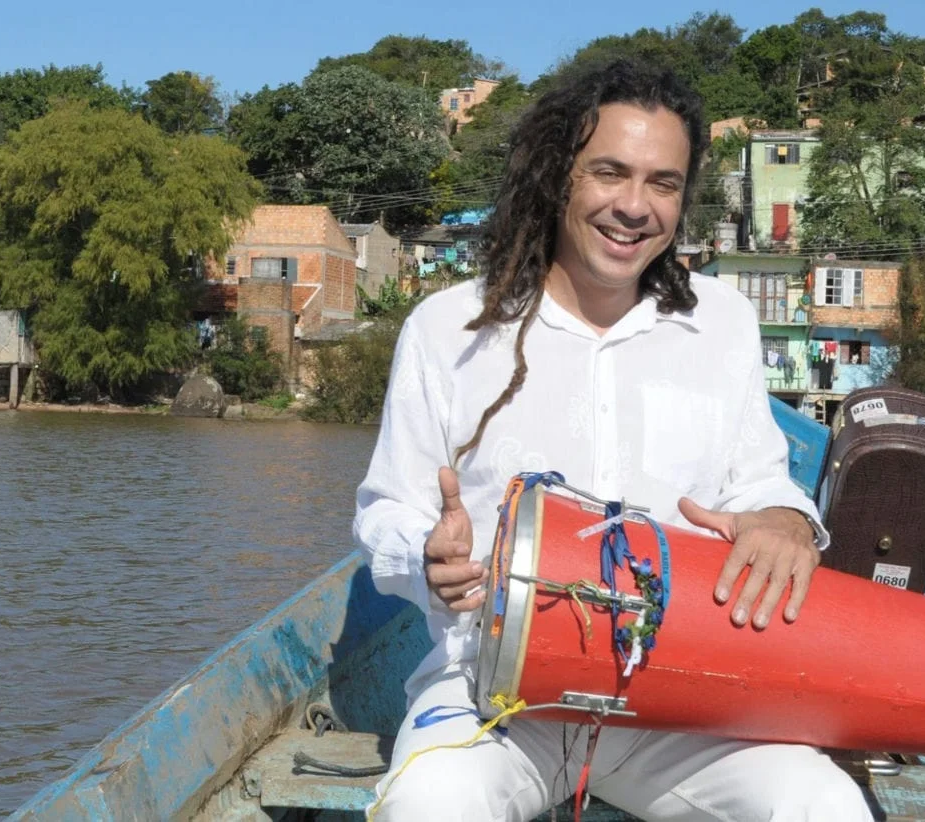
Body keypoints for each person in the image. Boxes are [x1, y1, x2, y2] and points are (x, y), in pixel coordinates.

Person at [352, 58, 873, 821]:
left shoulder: (720, 322)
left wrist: (787, 521)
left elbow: (758, 484)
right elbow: (383, 513)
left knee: (823, 807)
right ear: (558, 176)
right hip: (491, 693)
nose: (635, 206)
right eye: (609, 173)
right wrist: (429, 557)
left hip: (681, 695)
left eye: (662, 183)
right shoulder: (446, 330)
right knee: (428, 805)